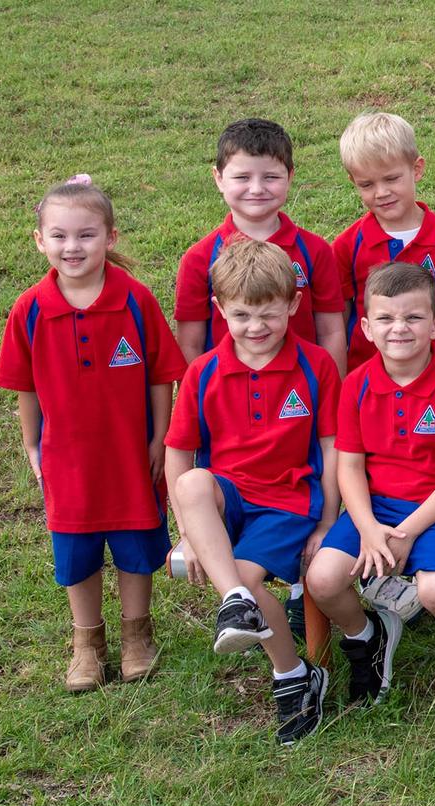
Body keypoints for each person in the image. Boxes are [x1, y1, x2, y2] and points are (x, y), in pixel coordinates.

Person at [0, 176, 187, 692]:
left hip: (130, 454)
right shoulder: (30, 309)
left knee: (135, 546)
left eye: (85, 235)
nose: (72, 247)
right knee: (76, 552)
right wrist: (32, 444)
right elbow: (25, 387)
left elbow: (160, 374)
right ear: (39, 241)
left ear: (110, 237)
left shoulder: (135, 302)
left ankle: (136, 637)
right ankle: (87, 643)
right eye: (58, 236)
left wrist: (159, 440)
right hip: (69, 459)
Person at [166, 238, 339, 743]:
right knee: (194, 481)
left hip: (287, 504)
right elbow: (179, 452)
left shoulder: (315, 366)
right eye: (241, 315)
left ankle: (292, 674)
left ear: (293, 304)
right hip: (229, 496)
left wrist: (327, 521)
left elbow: (331, 450)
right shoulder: (202, 372)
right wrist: (186, 533)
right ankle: (238, 601)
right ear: (219, 310)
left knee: (243, 575)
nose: (256, 327)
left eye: (268, 313)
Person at [304, 262, 435, 707]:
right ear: (366, 327)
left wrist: (406, 534)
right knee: (323, 580)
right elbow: (349, 468)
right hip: (378, 506)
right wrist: (368, 529)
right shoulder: (357, 386)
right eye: (385, 319)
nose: (398, 329)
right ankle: (367, 635)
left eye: (413, 317)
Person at [175, 118, 346, 372]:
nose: (256, 189)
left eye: (270, 177)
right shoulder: (199, 258)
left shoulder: (315, 251)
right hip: (226, 396)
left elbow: (330, 331)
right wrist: (201, 394)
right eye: (242, 177)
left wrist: (332, 394)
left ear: (290, 177)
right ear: (219, 178)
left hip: (300, 395)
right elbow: (190, 343)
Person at [332, 111, 435, 378]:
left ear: (416, 169)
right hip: (367, 387)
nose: (381, 193)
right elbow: (336, 320)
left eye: (392, 179)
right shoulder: (347, 245)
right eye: (367, 184)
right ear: (353, 182)